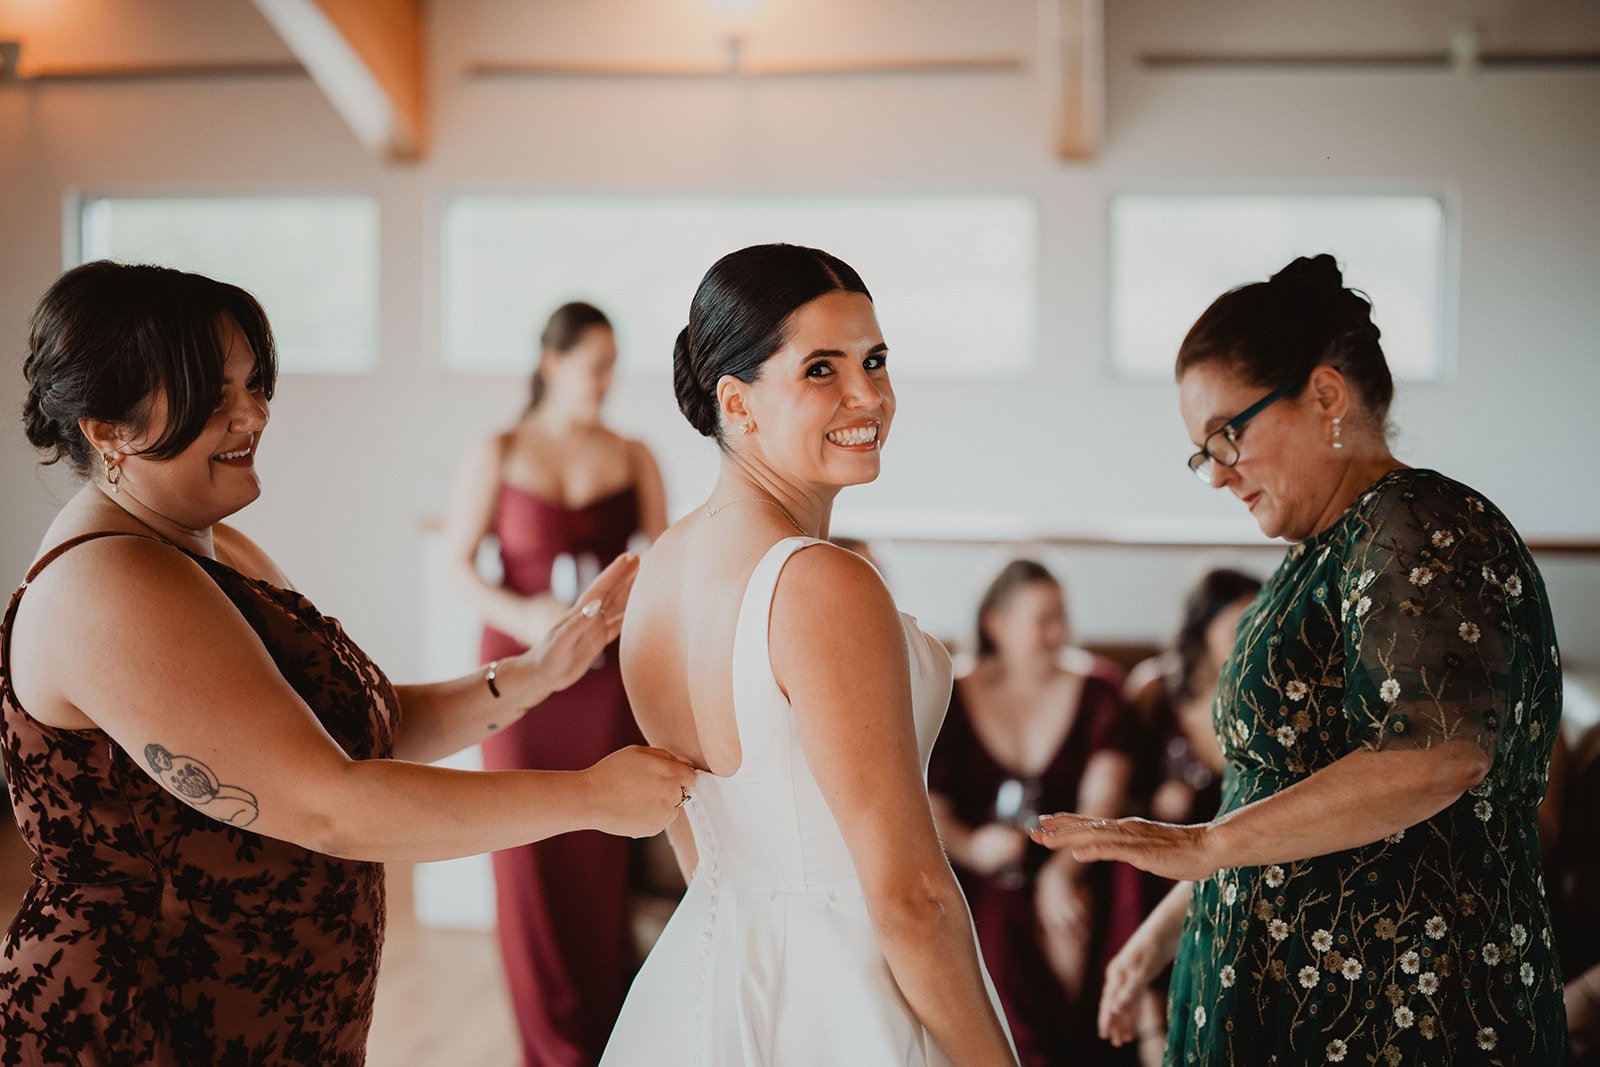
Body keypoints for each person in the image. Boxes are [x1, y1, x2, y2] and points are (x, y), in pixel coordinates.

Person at [0, 262, 695, 1065]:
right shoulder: (109, 583)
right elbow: (329, 802)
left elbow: (357, 730)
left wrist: (534, 673)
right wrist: (589, 797)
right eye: (215, 394)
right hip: (152, 1023)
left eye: (254, 384)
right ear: (108, 427)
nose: (253, 413)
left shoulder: (207, 545)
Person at [1034, 254, 1566, 1064]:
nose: (1215, 475)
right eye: (1199, 452)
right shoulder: (1320, 550)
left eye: (1225, 435)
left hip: (1391, 1011)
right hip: (1281, 996)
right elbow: (1285, 792)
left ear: (1324, 395)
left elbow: (1436, 754)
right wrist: (1170, 923)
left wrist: (1200, 846)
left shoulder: (1418, 521)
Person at [600, 243, 1016, 1065]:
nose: (869, 394)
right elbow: (910, 898)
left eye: (875, 359)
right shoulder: (823, 583)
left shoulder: (661, 573)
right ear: (738, 401)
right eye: (821, 369)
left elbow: (698, 843)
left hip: (706, 983)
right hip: (852, 997)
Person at [443, 301, 668, 1065]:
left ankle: (609, 1044)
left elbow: (663, 569)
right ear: (552, 361)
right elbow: (456, 566)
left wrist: (625, 606)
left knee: (601, 860)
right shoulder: (499, 448)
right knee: (527, 863)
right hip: (520, 681)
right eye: (594, 364)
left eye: (613, 365)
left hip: (606, 685)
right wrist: (525, 614)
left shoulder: (634, 453)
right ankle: (547, 1048)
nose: (607, 380)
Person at [928, 559, 1136, 1065]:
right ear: (995, 624)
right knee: (995, 909)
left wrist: (1062, 874)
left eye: (1062, 617)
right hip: (980, 864)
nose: (1058, 633)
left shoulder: (1099, 690)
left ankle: (1101, 1044)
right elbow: (929, 803)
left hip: (1077, 853)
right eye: (1042, 619)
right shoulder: (949, 693)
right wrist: (973, 847)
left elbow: (1102, 802)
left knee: (1103, 898)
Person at [1118, 567, 1260, 1066]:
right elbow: (1122, 787)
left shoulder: (1265, 698)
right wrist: (1154, 803)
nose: (1249, 642)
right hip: (1164, 852)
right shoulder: (1155, 689)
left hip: (1234, 854)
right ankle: (1151, 1038)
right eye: (1236, 629)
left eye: (1257, 625)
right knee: (1137, 879)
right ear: (1202, 630)